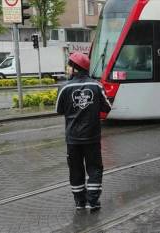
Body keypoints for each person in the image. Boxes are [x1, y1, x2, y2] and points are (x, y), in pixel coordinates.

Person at [56, 52, 112, 210]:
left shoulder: (64, 87)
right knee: (94, 168)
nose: (68, 69)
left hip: (72, 138)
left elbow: (59, 110)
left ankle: (80, 202)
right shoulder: (96, 86)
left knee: (75, 169)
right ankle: (93, 202)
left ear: (74, 68)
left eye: (69, 66)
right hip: (92, 137)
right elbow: (107, 107)